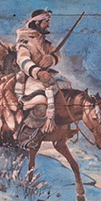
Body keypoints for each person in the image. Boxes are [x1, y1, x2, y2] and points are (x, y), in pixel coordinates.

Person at [12, 8, 61, 147]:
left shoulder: (45, 43)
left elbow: (57, 55)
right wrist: (38, 73)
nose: (49, 24)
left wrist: (51, 59)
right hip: (30, 79)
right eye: (46, 21)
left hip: (46, 78)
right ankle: (24, 136)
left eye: (48, 21)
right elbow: (23, 62)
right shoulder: (25, 42)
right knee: (40, 107)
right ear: (37, 23)